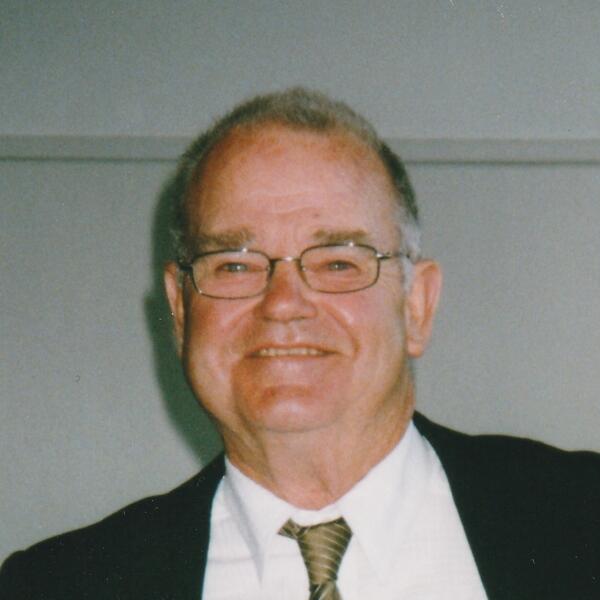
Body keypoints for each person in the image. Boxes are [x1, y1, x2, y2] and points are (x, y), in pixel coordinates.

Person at [1, 88, 599, 600]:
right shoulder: (57, 585)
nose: (283, 303)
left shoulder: (582, 519)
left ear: (416, 306)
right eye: (234, 265)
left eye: (338, 262)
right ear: (180, 311)